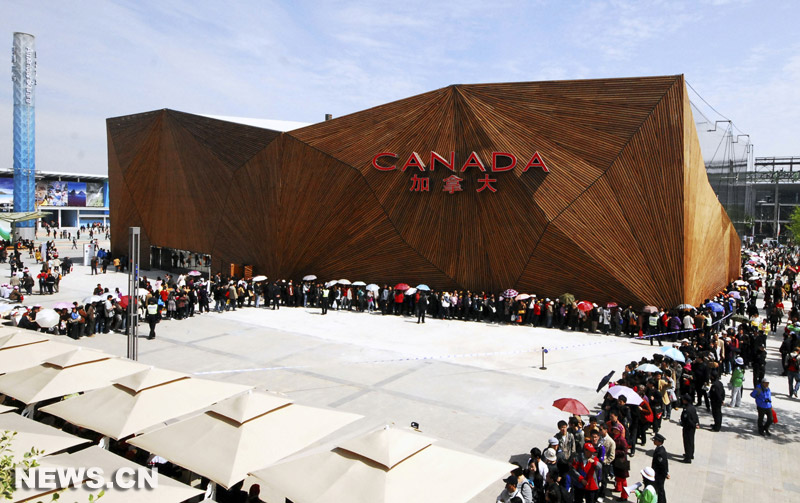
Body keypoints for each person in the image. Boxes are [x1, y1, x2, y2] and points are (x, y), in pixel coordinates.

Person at [678, 394, 698, 463]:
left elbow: (688, 420)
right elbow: (696, 416)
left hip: (688, 428)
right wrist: (696, 424)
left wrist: (682, 423)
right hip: (692, 428)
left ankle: (688, 458)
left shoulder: (687, 409)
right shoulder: (692, 407)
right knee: (691, 441)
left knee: (687, 442)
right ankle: (690, 454)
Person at [650, 433, 669, 503]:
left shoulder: (660, 452)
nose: (654, 441)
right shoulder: (659, 449)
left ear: (659, 442)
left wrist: (665, 473)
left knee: (660, 489)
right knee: (659, 488)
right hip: (658, 473)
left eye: (655, 440)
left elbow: (663, 465)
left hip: (659, 474)